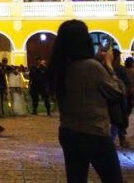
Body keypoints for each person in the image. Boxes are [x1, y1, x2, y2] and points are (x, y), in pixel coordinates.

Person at [47, 19, 125, 183]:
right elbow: (118, 93)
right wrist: (109, 65)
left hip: (69, 132)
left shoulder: (61, 68)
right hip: (94, 132)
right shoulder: (91, 67)